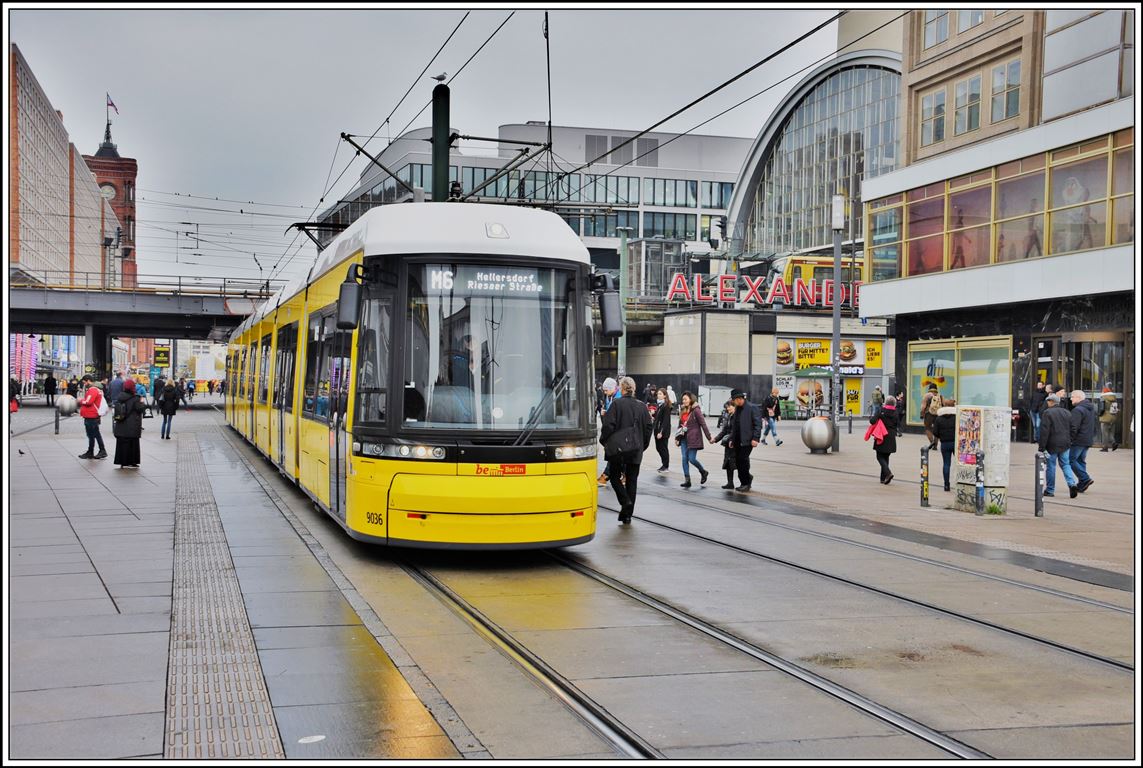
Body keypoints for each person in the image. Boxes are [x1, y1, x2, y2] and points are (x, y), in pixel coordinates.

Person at [599, 377, 653, 524]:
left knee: (615, 477)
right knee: (632, 481)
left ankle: (625, 502)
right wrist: (642, 445)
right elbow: (649, 427)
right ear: (633, 389)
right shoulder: (642, 406)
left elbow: (608, 426)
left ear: (622, 388)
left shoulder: (616, 404)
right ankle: (627, 515)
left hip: (618, 450)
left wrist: (604, 441)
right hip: (636, 450)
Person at [1039, 392, 1078, 498]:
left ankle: (1050, 490)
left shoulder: (1047, 413)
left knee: (1051, 466)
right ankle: (1072, 484)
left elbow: (1044, 431)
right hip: (1065, 444)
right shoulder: (1067, 412)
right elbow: (1073, 428)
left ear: (1052, 402)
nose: (1047, 403)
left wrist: (1041, 447)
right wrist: (1070, 440)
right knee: (1066, 465)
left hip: (1051, 445)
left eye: (1048, 401)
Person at [676, 391, 713, 488]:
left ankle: (703, 472)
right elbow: (680, 425)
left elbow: (703, 424)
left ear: (691, 399)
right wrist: (677, 437)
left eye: (685, 399)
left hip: (693, 438)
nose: (684, 401)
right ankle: (687, 480)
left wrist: (709, 437)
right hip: (683, 438)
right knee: (684, 458)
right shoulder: (683, 410)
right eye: (683, 399)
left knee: (692, 459)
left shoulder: (696, 410)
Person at [728, 389, 762, 492]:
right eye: (735, 400)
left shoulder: (752, 408)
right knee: (738, 462)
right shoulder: (737, 409)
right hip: (737, 440)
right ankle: (746, 479)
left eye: (738, 399)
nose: (736, 402)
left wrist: (755, 438)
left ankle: (745, 483)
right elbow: (735, 426)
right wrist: (731, 439)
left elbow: (758, 425)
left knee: (743, 460)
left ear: (741, 398)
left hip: (748, 440)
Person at [112, 378, 147, 468]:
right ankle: (132, 461)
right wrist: (142, 403)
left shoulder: (120, 397)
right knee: (133, 444)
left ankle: (122, 461)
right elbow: (140, 409)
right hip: (132, 425)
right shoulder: (135, 398)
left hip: (121, 424)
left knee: (121, 444)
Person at [1068, 389, 1096, 493]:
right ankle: (1082, 484)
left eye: (1072, 396)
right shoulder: (1090, 408)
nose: (1070, 398)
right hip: (1087, 439)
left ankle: (1085, 479)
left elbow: (1074, 427)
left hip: (1078, 440)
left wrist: (1070, 439)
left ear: (1079, 398)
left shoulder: (1078, 410)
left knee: (1070, 460)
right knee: (1080, 461)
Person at [869, 395, 899, 484]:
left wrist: (876, 417)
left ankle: (888, 473)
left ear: (885, 402)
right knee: (886, 456)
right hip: (891, 437)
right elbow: (897, 424)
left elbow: (872, 421)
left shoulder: (881, 410)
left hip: (881, 435)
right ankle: (883, 478)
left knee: (879, 456)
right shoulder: (896, 412)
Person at [77, 375, 108, 459]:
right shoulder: (96, 389)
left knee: (93, 434)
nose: (84, 384)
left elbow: (88, 402)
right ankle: (94, 451)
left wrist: (80, 401)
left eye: (84, 382)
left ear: (88, 381)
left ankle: (99, 451)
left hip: (91, 415)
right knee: (93, 434)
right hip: (92, 415)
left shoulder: (93, 390)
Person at [711, 400, 738, 490]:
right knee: (728, 463)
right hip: (728, 444)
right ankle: (730, 483)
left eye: (730, 406)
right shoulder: (729, 416)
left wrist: (731, 439)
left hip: (735, 443)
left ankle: (748, 478)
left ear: (735, 406)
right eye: (727, 406)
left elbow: (736, 431)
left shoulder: (737, 417)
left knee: (738, 464)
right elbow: (724, 431)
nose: (728, 408)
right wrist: (715, 439)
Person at [597, 377, 619, 486]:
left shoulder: (618, 399)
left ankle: (606, 475)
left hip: (616, 432)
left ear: (613, 388)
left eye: (606, 390)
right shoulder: (609, 397)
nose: (605, 392)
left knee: (614, 455)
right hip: (611, 431)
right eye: (604, 390)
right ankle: (620, 474)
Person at [933, 397, 958, 492]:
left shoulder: (939, 418)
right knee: (959, 463)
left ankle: (946, 485)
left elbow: (935, 432)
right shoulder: (957, 417)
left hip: (944, 443)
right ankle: (959, 482)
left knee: (946, 464)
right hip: (956, 443)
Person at [652, 387, 673, 473]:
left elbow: (666, 421)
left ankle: (666, 466)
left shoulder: (666, 406)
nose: (658, 395)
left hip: (663, 432)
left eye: (660, 394)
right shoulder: (659, 405)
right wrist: (653, 415)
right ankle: (663, 464)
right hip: (657, 430)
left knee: (663, 448)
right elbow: (658, 418)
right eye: (658, 394)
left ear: (665, 396)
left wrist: (661, 432)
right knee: (658, 448)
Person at [1098, 384, 1119, 451]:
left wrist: (1099, 414)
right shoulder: (1114, 398)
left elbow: (1101, 408)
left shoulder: (1103, 398)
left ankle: (1105, 447)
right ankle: (1114, 443)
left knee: (1105, 433)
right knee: (1110, 432)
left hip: (1105, 417)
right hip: (1113, 416)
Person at [921, 383, 942, 450]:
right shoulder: (939, 396)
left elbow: (923, 406)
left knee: (927, 428)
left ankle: (932, 441)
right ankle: (935, 446)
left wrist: (922, 413)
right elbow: (943, 404)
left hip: (928, 414)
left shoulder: (927, 395)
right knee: (937, 429)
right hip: (938, 414)